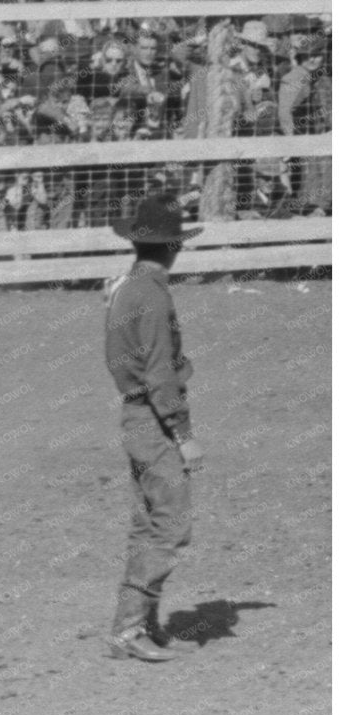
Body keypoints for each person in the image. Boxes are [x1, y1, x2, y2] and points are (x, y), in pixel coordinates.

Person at [101, 192, 205, 663]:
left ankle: (142, 624)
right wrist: (183, 437)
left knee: (147, 524)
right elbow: (161, 375)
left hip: (134, 414)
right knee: (171, 524)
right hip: (154, 421)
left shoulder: (125, 289)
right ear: (173, 247)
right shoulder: (153, 297)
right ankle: (128, 629)